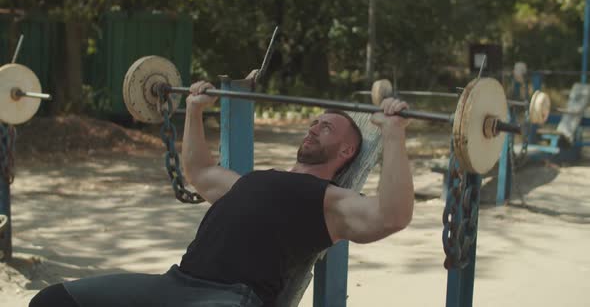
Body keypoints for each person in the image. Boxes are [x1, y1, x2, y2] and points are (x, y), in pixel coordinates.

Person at [29, 81, 414, 307]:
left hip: (230, 299)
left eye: (327, 128)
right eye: (314, 123)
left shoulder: (330, 201)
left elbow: (391, 215)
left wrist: (394, 135)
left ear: (347, 152)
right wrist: (194, 109)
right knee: (52, 301)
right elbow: (199, 171)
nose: (313, 129)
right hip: (175, 284)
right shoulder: (251, 182)